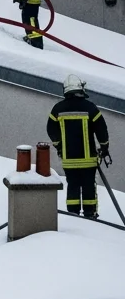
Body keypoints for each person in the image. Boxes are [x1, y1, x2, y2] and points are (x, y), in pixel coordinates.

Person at [47, 74, 110, 219]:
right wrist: (104, 148)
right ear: (80, 88)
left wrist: (59, 147)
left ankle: (73, 216)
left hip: (69, 160)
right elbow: (102, 129)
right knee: (88, 186)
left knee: (73, 186)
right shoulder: (90, 107)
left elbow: (51, 130)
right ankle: (90, 214)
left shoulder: (58, 109)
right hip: (88, 160)